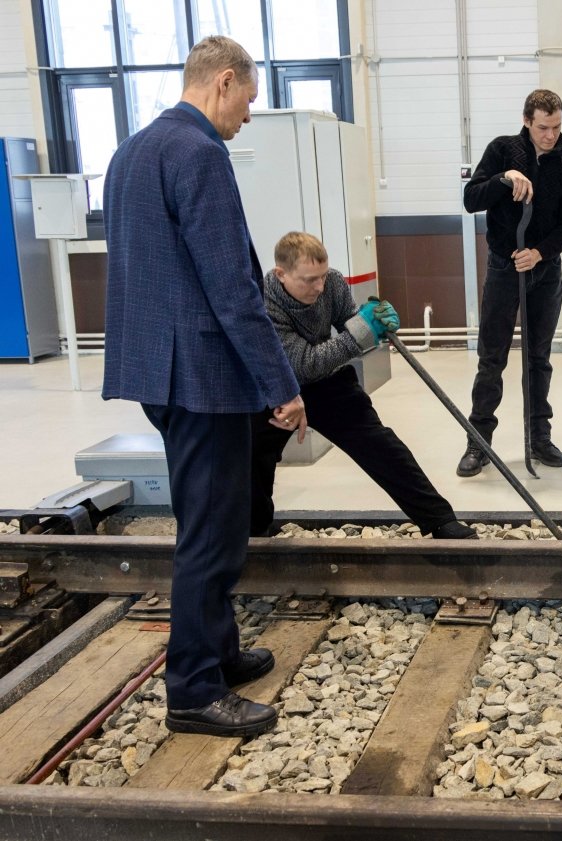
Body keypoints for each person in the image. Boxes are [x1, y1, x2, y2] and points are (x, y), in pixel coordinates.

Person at [102, 36, 301, 738]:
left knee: (205, 517)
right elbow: (233, 288)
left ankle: (217, 651)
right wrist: (281, 382)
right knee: (211, 534)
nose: (247, 116)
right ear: (223, 82)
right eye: (247, 101)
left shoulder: (133, 150)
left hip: (159, 367)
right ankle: (192, 688)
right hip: (202, 375)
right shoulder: (199, 154)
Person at [249, 232, 477, 540]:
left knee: (380, 445)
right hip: (278, 387)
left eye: (322, 277)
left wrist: (375, 322)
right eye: (309, 280)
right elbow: (304, 363)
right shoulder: (264, 300)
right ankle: (253, 535)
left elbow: (350, 323)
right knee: (253, 459)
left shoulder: (333, 283)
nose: (319, 287)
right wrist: (362, 331)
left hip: (325, 385)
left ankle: (439, 519)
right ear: (281, 274)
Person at [456, 89, 562, 477]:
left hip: (545, 273)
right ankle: (478, 444)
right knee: (492, 357)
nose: (550, 135)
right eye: (543, 127)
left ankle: (539, 439)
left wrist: (540, 253)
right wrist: (503, 178)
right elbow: (471, 198)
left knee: (538, 358)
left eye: (557, 127)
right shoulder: (502, 149)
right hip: (502, 270)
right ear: (527, 120)